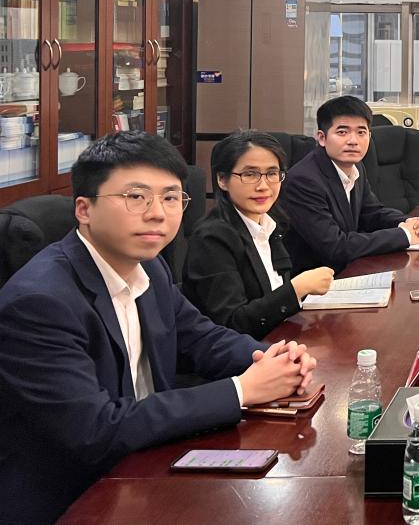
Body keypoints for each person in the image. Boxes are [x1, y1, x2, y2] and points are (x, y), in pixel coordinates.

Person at [0, 131, 318, 523]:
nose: (158, 213)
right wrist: (243, 389)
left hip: (149, 461)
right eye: (136, 197)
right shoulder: (39, 301)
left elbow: (201, 337)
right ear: (84, 209)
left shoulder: (149, 267)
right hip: (74, 496)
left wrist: (274, 358)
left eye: (170, 198)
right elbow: (95, 430)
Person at [185, 131, 335, 338]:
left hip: (279, 339)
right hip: (245, 353)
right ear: (222, 179)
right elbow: (232, 324)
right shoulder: (212, 239)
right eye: (250, 174)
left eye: (272, 173)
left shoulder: (271, 223)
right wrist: (297, 289)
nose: (263, 186)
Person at [279, 95, 419, 271]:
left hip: (348, 269)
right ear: (322, 138)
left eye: (361, 132)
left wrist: (410, 223)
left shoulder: (355, 167)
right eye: (342, 132)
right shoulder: (303, 181)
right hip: (315, 280)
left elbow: (371, 213)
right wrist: (404, 235)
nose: (353, 141)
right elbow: (335, 246)